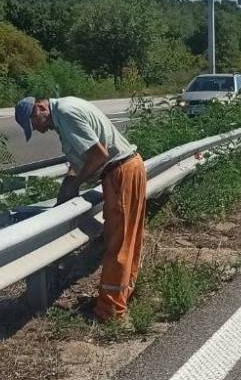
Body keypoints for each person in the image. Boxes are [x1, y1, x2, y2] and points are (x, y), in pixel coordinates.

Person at [15, 95, 147, 323]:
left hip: (120, 174)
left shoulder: (65, 113)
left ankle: (110, 311)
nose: (38, 129)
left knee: (118, 244)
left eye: (35, 122)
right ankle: (122, 295)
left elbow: (99, 154)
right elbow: (80, 160)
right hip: (127, 169)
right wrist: (67, 187)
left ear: (40, 107)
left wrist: (76, 183)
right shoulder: (66, 108)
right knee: (128, 240)